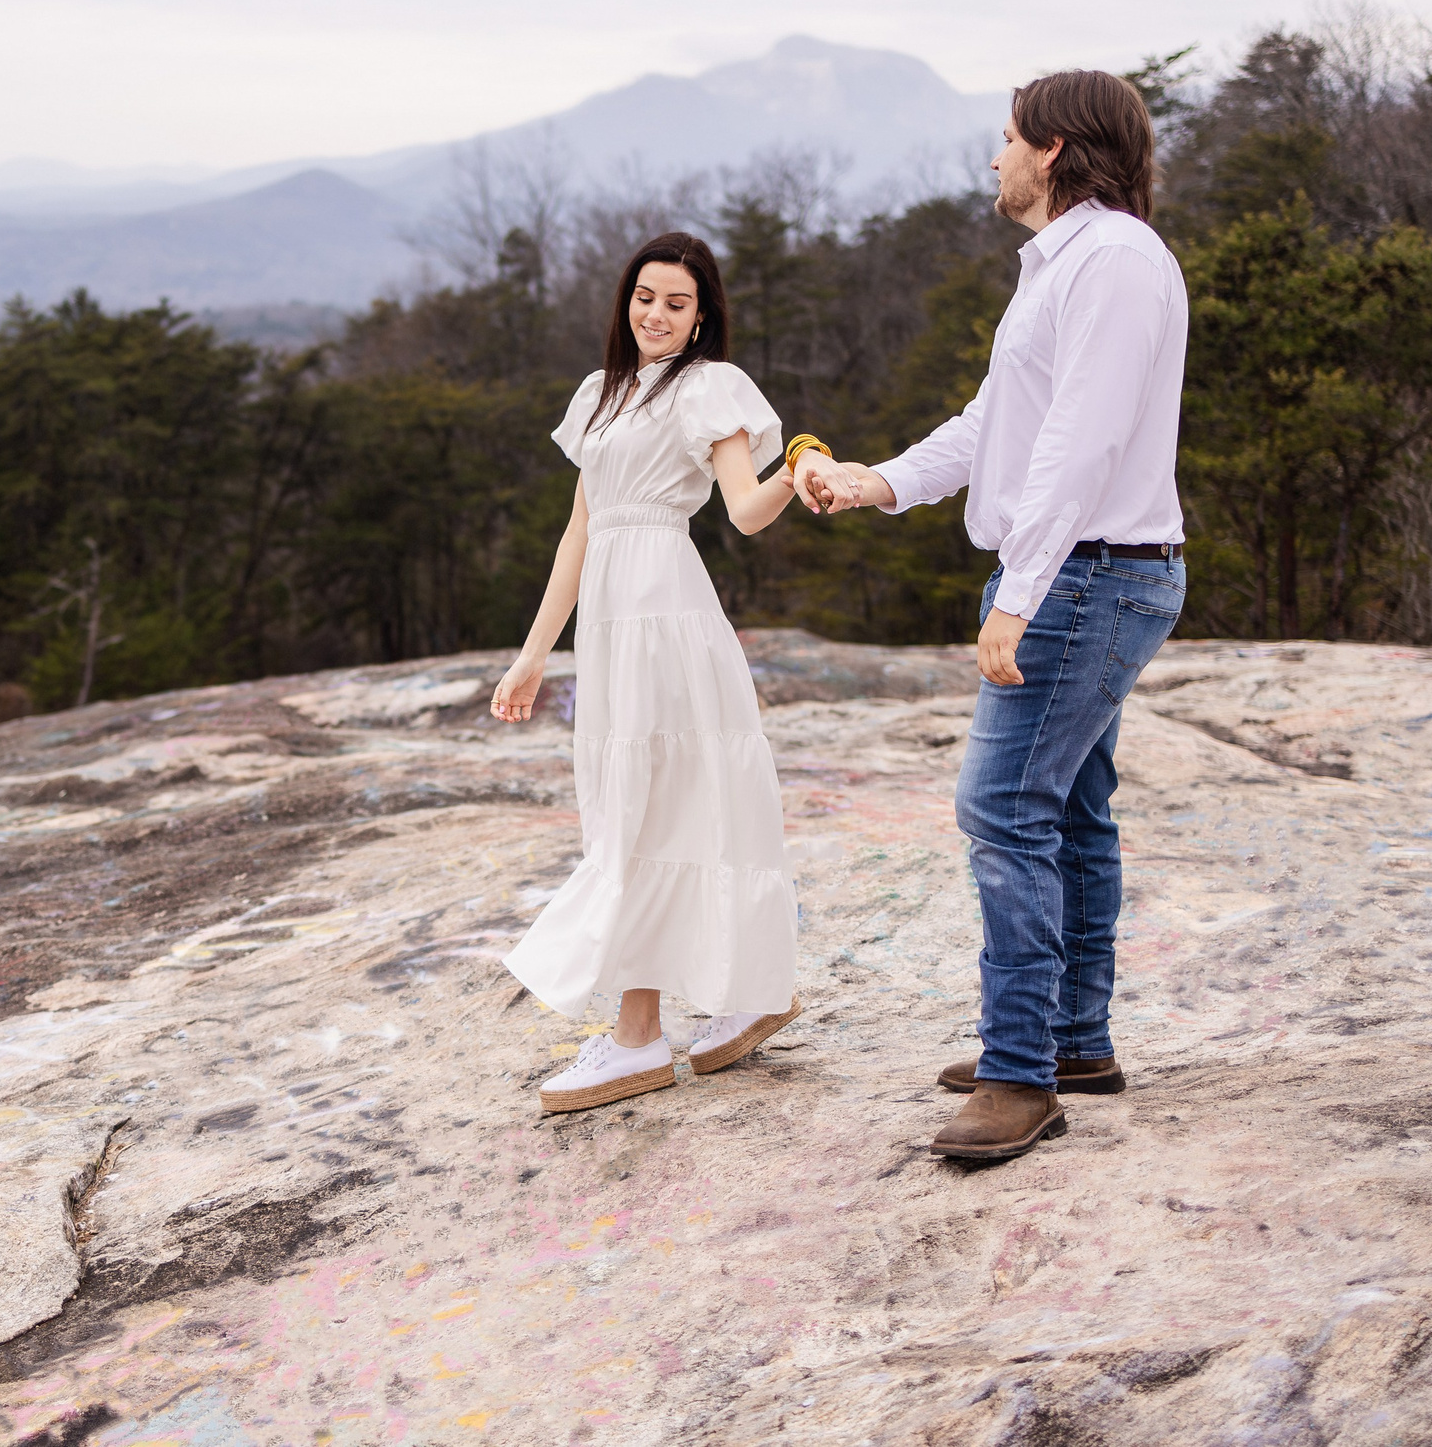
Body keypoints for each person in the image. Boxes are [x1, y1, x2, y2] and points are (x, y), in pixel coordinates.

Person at [795, 71, 1189, 1162]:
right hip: (1085, 571)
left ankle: (1021, 1073)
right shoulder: (1068, 264)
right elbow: (999, 424)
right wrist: (880, 481)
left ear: (1053, 150)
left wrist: (1018, 594)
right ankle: (1072, 1043)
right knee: (1071, 810)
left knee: (1003, 810)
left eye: (1007, 137)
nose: (994, 157)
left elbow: (1080, 445)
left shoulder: (1112, 261)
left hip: (1085, 577)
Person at [490, 232, 814, 1115]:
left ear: (701, 314)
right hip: (610, 622)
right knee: (638, 801)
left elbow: (745, 511)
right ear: (625, 301)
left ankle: (638, 1037)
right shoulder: (600, 393)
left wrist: (799, 466)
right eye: (645, 297)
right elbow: (578, 531)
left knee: (652, 807)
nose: (656, 315)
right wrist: (533, 653)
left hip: (667, 612)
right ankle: (748, 990)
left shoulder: (708, 386)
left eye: (676, 302)